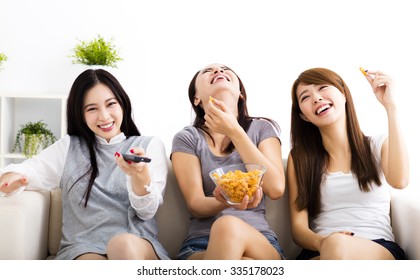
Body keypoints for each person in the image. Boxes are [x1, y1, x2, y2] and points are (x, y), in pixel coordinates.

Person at [0, 69, 169, 260]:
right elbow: (30, 170)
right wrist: (10, 176)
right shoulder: (69, 147)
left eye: (110, 104)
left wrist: (140, 176)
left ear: (123, 104)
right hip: (83, 249)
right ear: (80, 114)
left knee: (122, 245)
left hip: (136, 245)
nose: (104, 117)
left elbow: (147, 210)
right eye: (92, 109)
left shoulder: (149, 146)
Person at [287, 67, 409, 260]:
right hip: (320, 249)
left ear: (343, 93)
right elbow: (298, 229)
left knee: (337, 245)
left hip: (376, 247)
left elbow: (400, 181)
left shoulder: (378, 145)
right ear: (303, 116)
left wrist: (390, 107)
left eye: (323, 87)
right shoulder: (300, 158)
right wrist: (324, 242)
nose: (317, 98)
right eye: (305, 97)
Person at [171, 63, 285, 260]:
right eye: (208, 71)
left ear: (240, 93)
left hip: (259, 241)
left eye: (225, 69)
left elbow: (275, 188)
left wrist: (234, 131)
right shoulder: (187, 138)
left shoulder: (261, 129)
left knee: (229, 226)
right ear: (196, 98)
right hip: (200, 244)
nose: (218, 71)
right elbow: (195, 203)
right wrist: (222, 201)